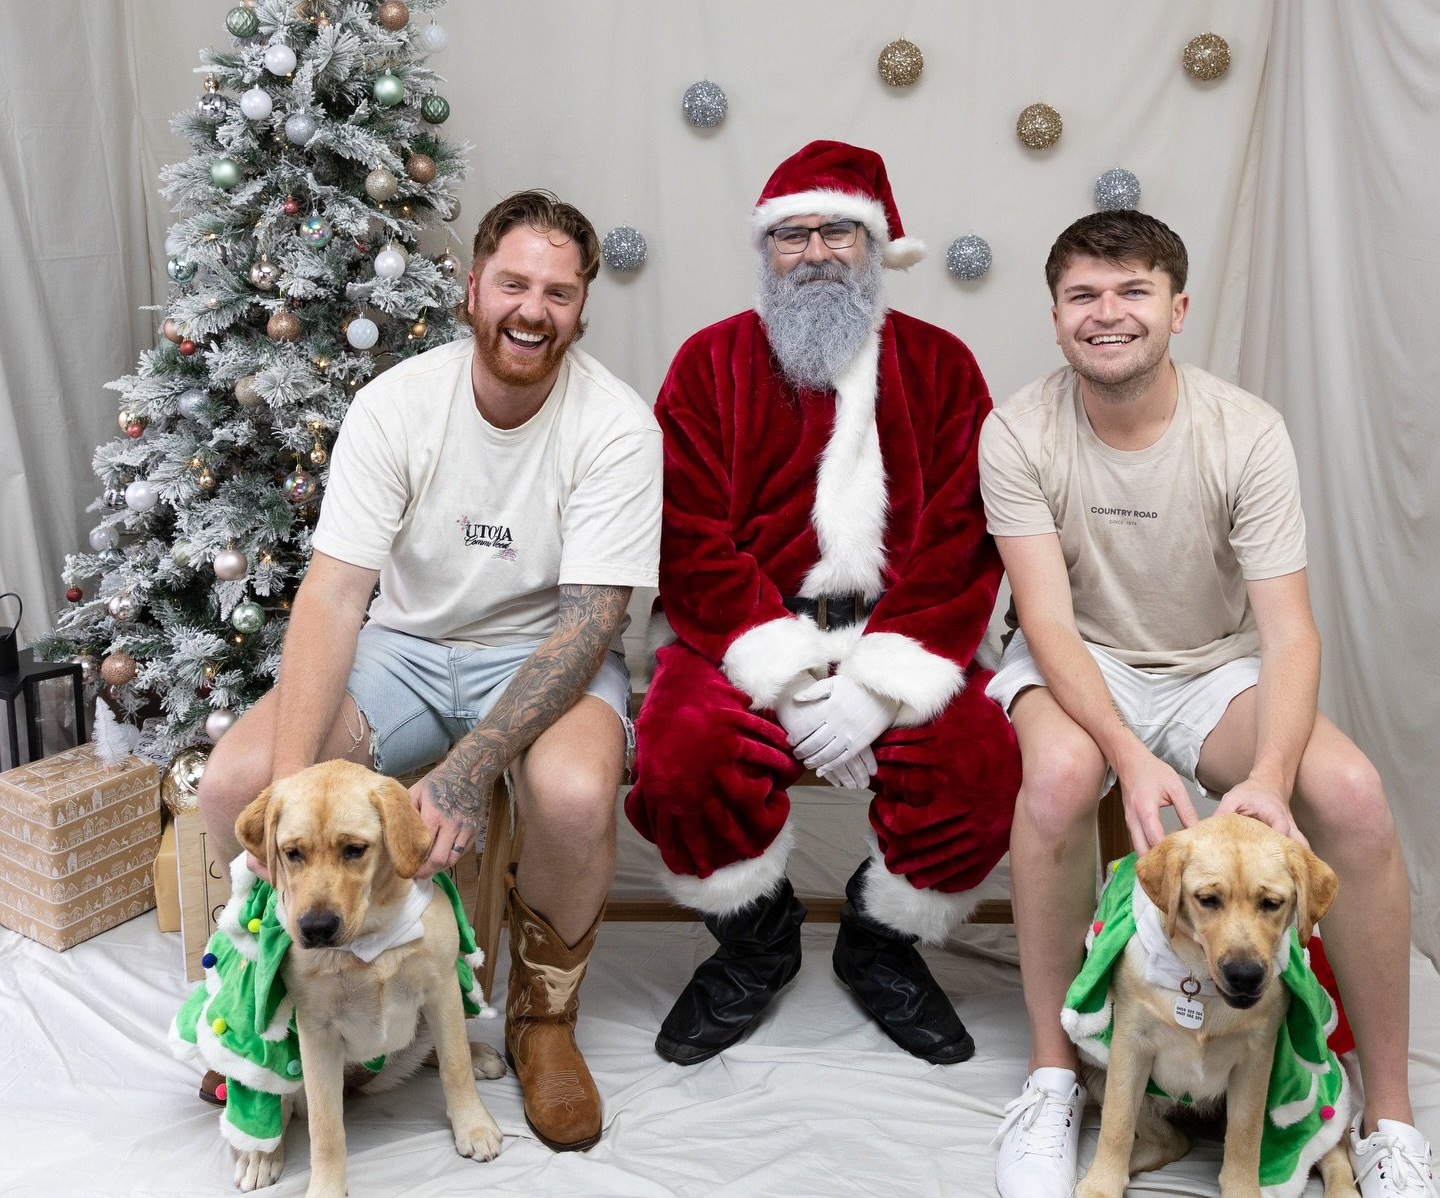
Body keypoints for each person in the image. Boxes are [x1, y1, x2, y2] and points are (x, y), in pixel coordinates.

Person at [981, 209, 1434, 1198]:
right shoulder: (1015, 430)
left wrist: (1269, 775)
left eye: (1133, 291)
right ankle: (1055, 1081)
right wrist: (1125, 751)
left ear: (1177, 308)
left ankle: (1392, 1117)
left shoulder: (1246, 430)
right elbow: (1046, 621)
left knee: (1353, 794)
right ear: (1056, 317)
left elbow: (1290, 632)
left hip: (1211, 666)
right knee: (1059, 780)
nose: (1107, 313)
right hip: (1081, 659)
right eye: (1083, 295)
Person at [198, 190, 662, 1154]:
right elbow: (334, 595)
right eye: (514, 284)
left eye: (559, 292)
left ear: (582, 308)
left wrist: (471, 765)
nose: (533, 310)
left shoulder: (617, 426)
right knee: (238, 782)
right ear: (473, 288)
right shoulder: (398, 403)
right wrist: (287, 790)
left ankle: (541, 1020)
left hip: (544, 652)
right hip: (404, 649)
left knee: (576, 794)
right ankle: (272, 1003)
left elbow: (591, 623)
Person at [624, 139, 1021, 1068]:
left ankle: (880, 943)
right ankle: (755, 943)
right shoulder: (708, 362)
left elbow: (964, 535)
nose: (814, 253)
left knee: (980, 764)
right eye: (791, 235)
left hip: (906, 628)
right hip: (739, 631)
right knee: (682, 757)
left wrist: (882, 682)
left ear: (875, 247)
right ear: (766, 250)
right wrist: (788, 675)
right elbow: (687, 533)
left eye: (837, 231)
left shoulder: (944, 366)